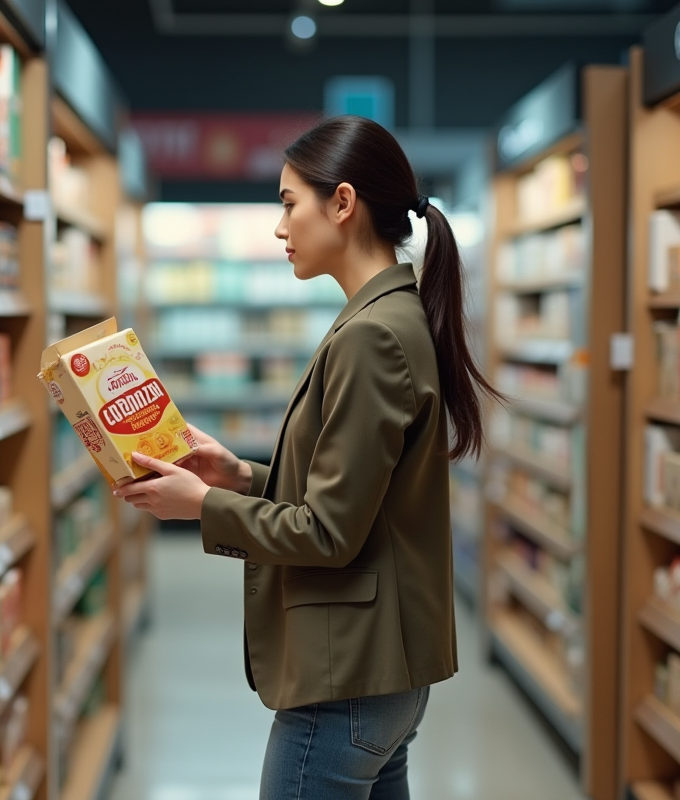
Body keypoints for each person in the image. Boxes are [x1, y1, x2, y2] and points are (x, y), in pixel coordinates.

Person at [113, 115, 499, 800]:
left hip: (345, 679)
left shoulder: (371, 336)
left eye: (290, 202)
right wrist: (238, 477)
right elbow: (357, 500)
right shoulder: (389, 316)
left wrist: (202, 506)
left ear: (343, 203)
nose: (279, 225)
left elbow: (327, 532)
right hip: (381, 674)